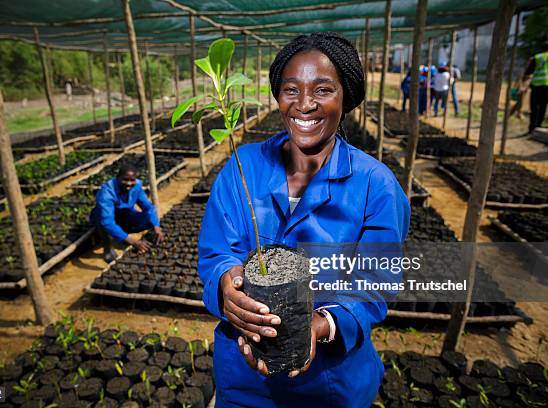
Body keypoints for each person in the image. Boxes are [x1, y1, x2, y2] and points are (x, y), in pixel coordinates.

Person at [198, 32, 410, 407]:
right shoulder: (242, 167)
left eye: (323, 89)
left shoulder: (376, 186)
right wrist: (226, 290)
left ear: (346, 99)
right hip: (243, 379)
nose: (305, 104)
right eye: (291, 90)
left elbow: (375, 284)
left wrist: (321, 326)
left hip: (328, 385)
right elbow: (217, 252)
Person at [90, 164, 163, 262]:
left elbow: (148, 207)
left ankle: (122, 235)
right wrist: (133, 241)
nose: (129, 183)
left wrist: (157, 227)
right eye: (125, 179)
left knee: (149, 220)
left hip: (124, 214)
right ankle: (107, 249)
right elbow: (107, 221)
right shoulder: (107, 193)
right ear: (117, 178)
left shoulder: (137, 186)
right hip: (105, 219)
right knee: (104, 223)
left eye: (132, 180)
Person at [523, 50, 548, 133]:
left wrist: (524, 80)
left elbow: (528, 72)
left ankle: (532, 127)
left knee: (534, 108)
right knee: (543, 107)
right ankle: (538, 125)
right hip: (546, 86)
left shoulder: (537, 57)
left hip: (536, 86)